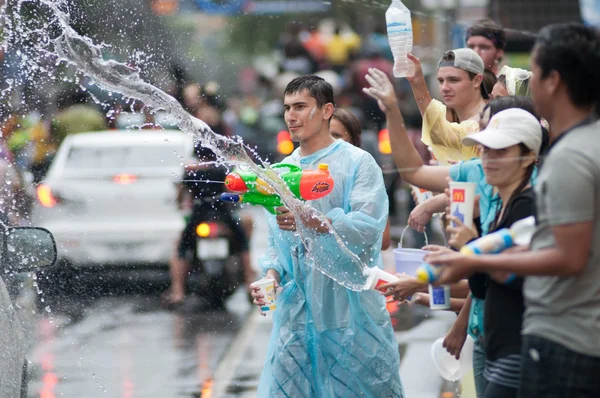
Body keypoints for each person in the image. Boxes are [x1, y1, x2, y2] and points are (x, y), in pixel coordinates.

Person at [427, 23, 600, 398]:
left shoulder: (569, 158)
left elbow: (568, 257)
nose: (527, 82)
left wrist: (476, 257)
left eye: (534, 73)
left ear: (553, 80)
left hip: (567, 337)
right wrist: (479, 252)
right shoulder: (586, 143)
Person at [249, 75, 403, 397]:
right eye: (288, 108)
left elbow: (367, 227)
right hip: (297, 317)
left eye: (301, 107)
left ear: (326, 110)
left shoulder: (358, 164)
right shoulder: (280, 173)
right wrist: (271, 275)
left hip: (351, 313)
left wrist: (313, 220)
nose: (292, 116)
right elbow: (276, 243)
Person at [162, 146, 253, 308]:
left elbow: (181, 196)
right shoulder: (224, 169)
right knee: (243, 245)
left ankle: (178, 291)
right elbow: (231, 192)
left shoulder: (190, 171)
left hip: (198, 218)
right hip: (223, 217)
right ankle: (249, 283)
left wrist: (180, 204)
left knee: (181, 249)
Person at [405, 48, 489, 165]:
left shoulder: (485, 119)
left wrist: (418, 84)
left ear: (476, 80)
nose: (444, 87)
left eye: (453, 80)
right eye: (441, 81)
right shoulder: (471, 117)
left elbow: (440, 134)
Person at [330, 108, 391, 250]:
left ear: (354, 141)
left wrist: (330, 225)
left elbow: (384, 239)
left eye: (336, 136)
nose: (330, 143)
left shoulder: (364, 175)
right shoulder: (310, 172)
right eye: (325, 136)